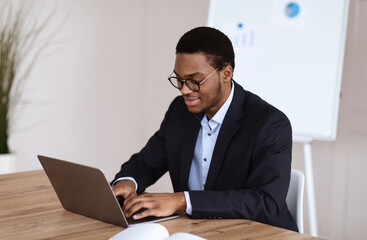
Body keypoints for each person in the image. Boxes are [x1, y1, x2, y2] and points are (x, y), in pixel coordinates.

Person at [112, 26, 298, 232]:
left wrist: (182, 200)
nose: (184, 90)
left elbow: (266, 202)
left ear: (226, 74)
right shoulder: (179, 111)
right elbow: (147, 162)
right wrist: (128, 182)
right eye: (180, 80)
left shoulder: (269, 123)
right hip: (196, 231)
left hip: (258, 233)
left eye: (195, 81)